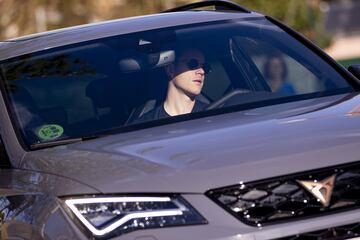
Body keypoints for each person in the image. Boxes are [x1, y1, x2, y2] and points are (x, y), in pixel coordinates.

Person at [135, 47, 210, 122]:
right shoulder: (145, 124)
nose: (201, 71)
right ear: (170, 70)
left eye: (204, 67)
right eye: (193, 63)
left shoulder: (212, 115)